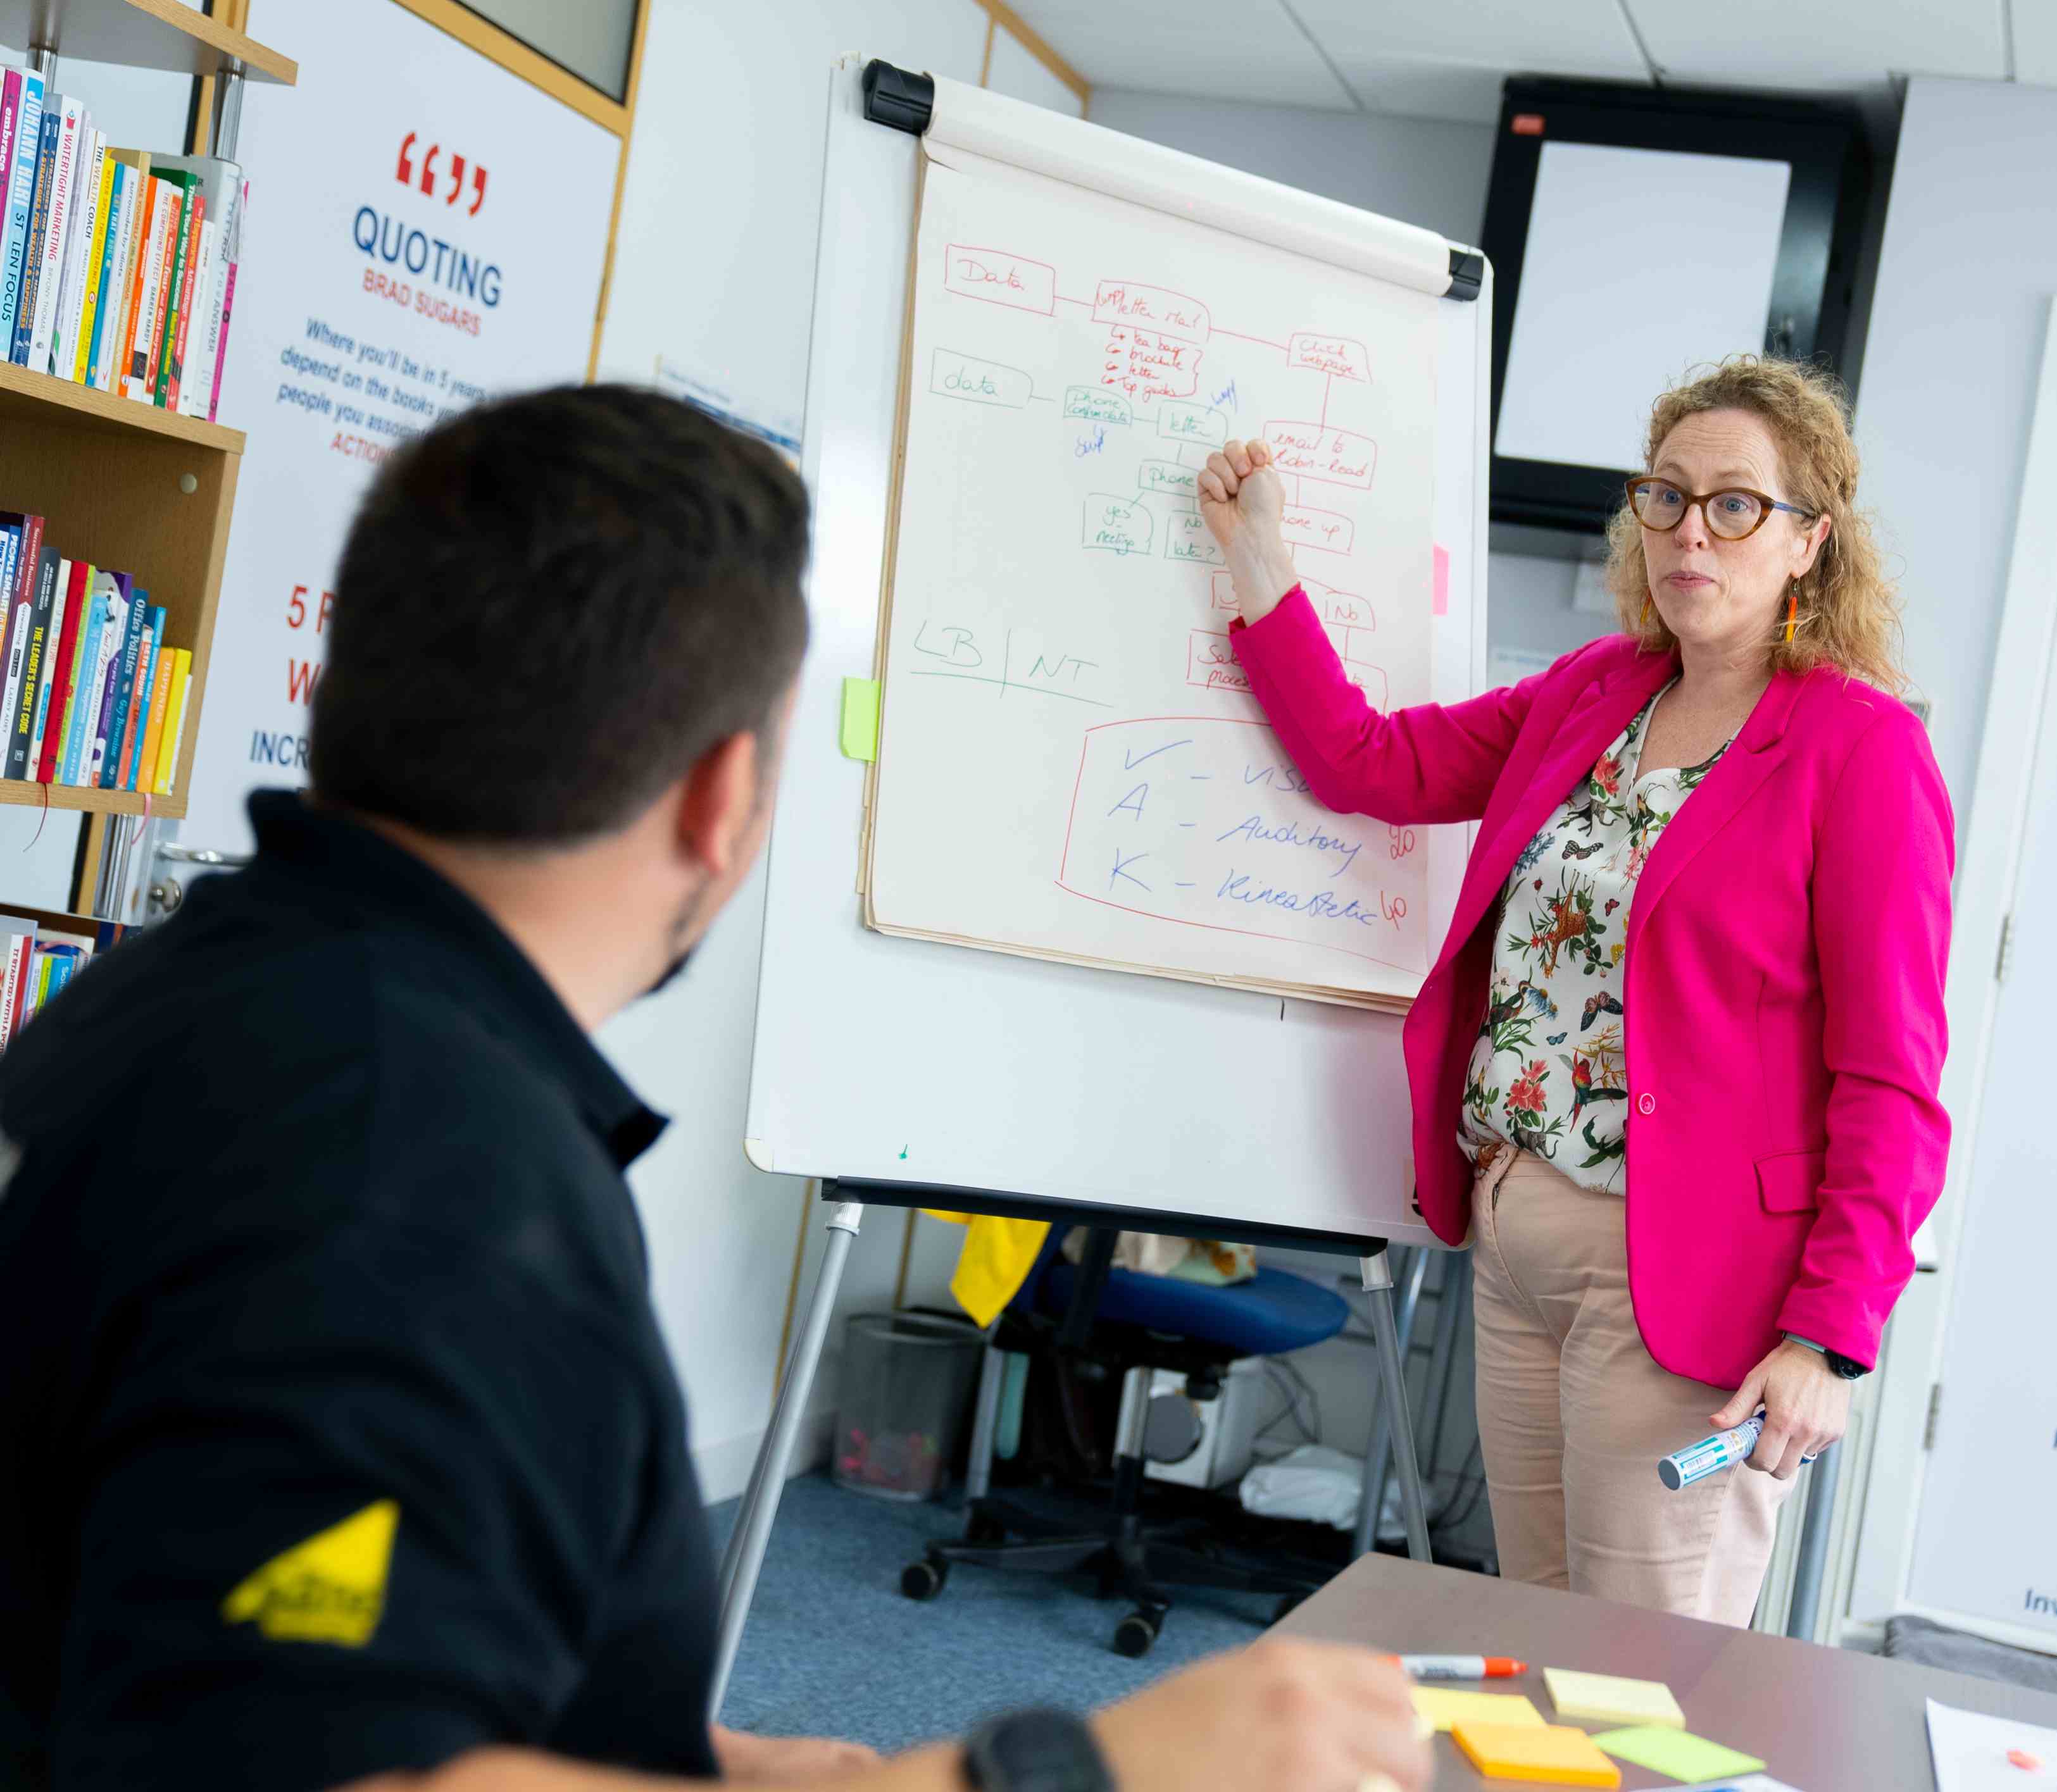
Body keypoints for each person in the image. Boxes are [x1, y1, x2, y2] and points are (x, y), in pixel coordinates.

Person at [0, 385, 1430, 1792]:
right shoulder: (407, 1173)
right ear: (719, 795)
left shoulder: (209, 991)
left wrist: (705, 1766)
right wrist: (1057, 1776)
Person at [1200, 356, 1953, 1625]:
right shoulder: (1594, 693)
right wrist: (1258, 560)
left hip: (1692, 1275)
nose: (1686, 532)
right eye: (1664, 496)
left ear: (1808, 542)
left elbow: (1890, 1077)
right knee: (1538, 1638)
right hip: (1516, 1235)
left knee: (1646, 1671)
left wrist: (1827, 1339)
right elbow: (1363, 763)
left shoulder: (1858, 748)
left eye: (1733, 505)